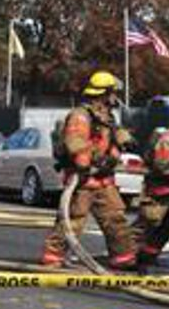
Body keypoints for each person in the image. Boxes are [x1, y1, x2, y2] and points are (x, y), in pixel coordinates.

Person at [40, 71, 137, 269]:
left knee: (115, 219)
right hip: (83, 180)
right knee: (72, 220)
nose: (115, 97)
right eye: (113, 92)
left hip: (103, 180)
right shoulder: (80, 116)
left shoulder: (107, 117)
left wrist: (123, 142)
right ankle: (53, 257)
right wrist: (90, 164)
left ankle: (123, 258)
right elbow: (75, 145)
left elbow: (110, 138)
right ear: (104, 93)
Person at [132, 94, 169, 267]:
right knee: (148, 222)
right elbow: (161, 165)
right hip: (161, 189)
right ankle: (128, 254)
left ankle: (149, 255)